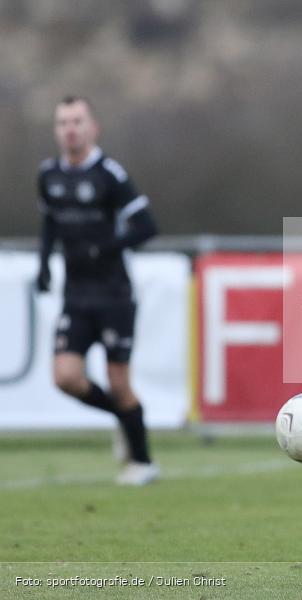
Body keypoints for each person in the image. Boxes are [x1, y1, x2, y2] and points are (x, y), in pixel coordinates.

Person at [35, 95, 160, 486]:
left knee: (119, 382)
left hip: (114, 294)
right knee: (65, 377)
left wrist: (106, 247)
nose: (70, 129)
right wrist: (43, 264)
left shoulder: (109, 174)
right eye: (63, 122)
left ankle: (143, 463)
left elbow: (146, 226)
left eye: (77, 121)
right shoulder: (49, 175)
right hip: (76, 294)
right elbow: (49, 224)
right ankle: (123, 421)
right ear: (57, 130)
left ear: (93, 128)